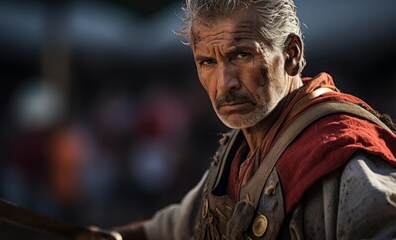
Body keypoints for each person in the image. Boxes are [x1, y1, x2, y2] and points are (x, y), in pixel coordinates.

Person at [78, 0, 396, 239]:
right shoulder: (238, 148)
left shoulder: (344, 159)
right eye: (207, 62)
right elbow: (177, 226)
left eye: (241, 55)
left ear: (292, 55)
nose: (223, 83)